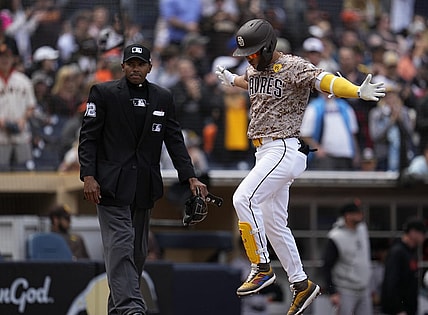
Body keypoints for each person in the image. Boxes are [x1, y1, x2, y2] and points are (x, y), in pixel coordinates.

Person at [215, 18, 385, 315]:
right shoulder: (255, 67)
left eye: (254, 51)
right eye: (248, 54)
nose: (251, 57)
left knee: (243, 198)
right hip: (264, 151)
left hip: (282, 147)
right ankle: (301, 283)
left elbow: (325, 80)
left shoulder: (294, 65)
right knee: (274, 223)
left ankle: (261, 266)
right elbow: (251, 83)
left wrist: (356, 91)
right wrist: (232, 79)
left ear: (269, 46)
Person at [78, 43, 208, 315]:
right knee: (121, 245)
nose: (135, 68)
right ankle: (131, 309)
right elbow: (88, 137)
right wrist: (88, 175)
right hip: (110, 186)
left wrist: (190, 178)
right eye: (131, 63)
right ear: (123, 66)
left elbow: (174, 140)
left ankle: (118, 311)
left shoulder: (162, 97)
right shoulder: (102, 93)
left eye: (141, 64)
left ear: (149, 67)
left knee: (136, 253)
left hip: (144, 186)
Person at [322, 199, 373, 315]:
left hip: (364, 288)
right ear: (347, 215)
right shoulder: (336, 236)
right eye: (356, 213)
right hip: (345, 290)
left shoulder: (362, 229)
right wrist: (332, 291)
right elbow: (327, 265)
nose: (360, 215)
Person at [0, 42, 36, 171]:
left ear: (13, 59)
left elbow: (31, 106)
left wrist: (23, 120)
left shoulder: (23, 80)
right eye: (1, 57)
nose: (4, 60)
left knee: (24, 176)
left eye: (7, 57)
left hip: (21, 135)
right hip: (1, 137)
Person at [381, 217, 427, 315]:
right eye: (422, 233)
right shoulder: (397, 252)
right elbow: (391, 283)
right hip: (398, 310)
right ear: (413, 232)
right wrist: (398, 309)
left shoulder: (411, 252)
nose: (424, 237)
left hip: (409, 308)